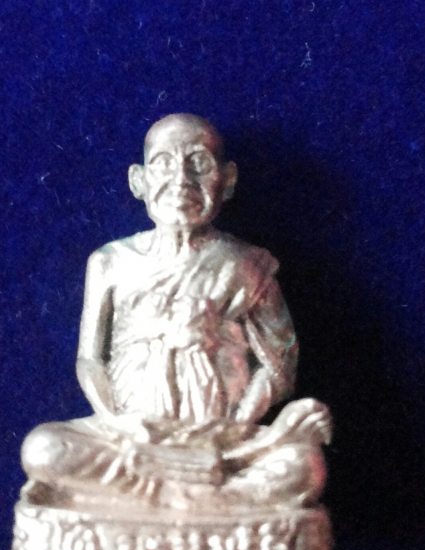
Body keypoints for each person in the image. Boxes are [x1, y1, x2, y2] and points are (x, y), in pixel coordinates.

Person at [20, 114, 330, 513]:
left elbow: (279, 364)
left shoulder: (247, 265)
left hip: (222, 442)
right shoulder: (110, 262)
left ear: (227, 180)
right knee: (43, 449)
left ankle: (171, 491)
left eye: (199, 164)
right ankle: (210, 497)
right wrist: (117, 422)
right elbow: (90, 359)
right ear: (139, 181)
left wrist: (235, 427)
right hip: (131, 438)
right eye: (164, 164)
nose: (181, 180)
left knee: (305, 467)